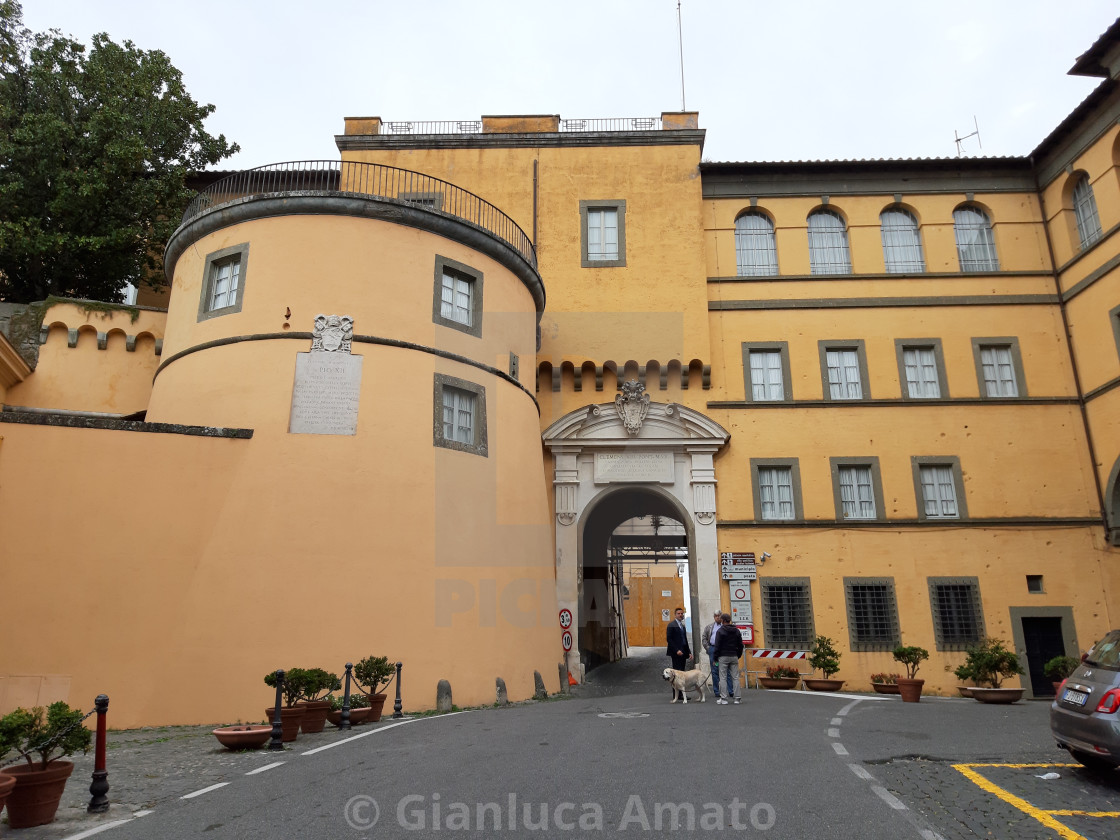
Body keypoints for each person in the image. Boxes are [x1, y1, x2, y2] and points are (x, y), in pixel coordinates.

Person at [713, 612, 744, 705]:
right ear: (729, 620)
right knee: (735, 677)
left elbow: (717, 646)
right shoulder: (736, 631)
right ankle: (737, 698)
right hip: (734, 655)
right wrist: (738, 655)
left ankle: (724, 698)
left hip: (723, 656)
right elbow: (740, 645)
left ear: (722, 621)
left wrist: (715, 658)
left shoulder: (720, 631)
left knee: (722, 677)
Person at [702, 611, 726, 698]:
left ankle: (728, 690)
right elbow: (704, 638)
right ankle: (716, 691)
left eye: (719, 616)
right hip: (713, 649)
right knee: (714, 669)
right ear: (714, 617)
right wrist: (708, 649)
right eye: (716, 616)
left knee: (724, 669)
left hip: (723, 650)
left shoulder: (725, 627)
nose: (717, 617)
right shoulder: (709, 627)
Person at [665, 606, 691, 673]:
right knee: (676, 671)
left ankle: (681, 683)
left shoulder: (682, 626)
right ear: (675, 615)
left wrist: (689, 652)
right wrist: (676, 650)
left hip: (683, 651)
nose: (680, 615)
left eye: (682, 613)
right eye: (678, 613)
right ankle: (676, 683)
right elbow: (669, 639)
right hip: (676, 652)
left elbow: (684, 639)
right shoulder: (671, 625)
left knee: (682, 671)